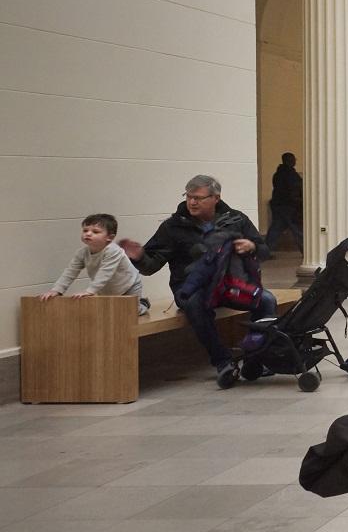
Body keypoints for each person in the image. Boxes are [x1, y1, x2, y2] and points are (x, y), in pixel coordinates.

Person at [118, 175, 275, 372]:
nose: (192, 202)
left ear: (215, 198)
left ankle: (254, 359)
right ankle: (222, 361)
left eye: (198, 198)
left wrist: (252, 246)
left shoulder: (236, 219)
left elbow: (265, 251)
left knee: (266, 300)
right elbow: (151, 266)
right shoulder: (173, 226)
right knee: (196, 305)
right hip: (190, 287)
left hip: (230, 284)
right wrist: (139, 256)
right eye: (189, 196)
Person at [39, 213, 146, 314]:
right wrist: (57, 290)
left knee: (130, 313)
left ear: (110, 237)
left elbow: (105, 273)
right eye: (85, 230)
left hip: (129, 285)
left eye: (95, 232)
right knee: (111, 314)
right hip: (108, 290)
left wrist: (89, 291)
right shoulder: (82, 253)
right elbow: (70, 272)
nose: (88, 233)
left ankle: (143, 304)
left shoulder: (113, 251)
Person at [266, 152, 304, 251]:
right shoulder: (290, 174)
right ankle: (306, 249)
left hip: (279, 203)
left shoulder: (278, 174)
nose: (295, 161)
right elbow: (295, 189)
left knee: (276, 227)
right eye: (294, 159)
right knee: (296, 228)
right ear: (289, 160)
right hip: (288, 205)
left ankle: (266, 250)